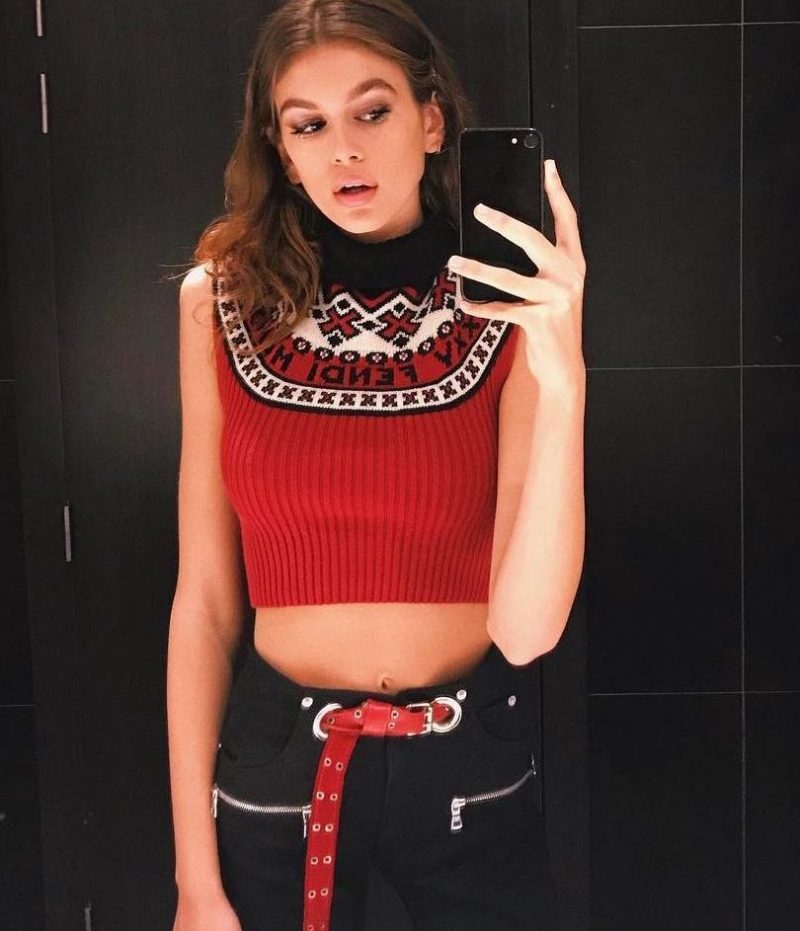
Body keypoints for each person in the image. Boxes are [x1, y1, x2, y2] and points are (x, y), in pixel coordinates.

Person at [167, 1, 586, 929]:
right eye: (308, 125)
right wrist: (195, 879)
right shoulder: (219, 302)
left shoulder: (511, 302)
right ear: (282, 152)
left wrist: (567, 377)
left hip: (469, 755)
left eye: (373, 111)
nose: (344, 150)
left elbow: (526, 630)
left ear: (432, 121)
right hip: (280, 764)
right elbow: (203, 601)